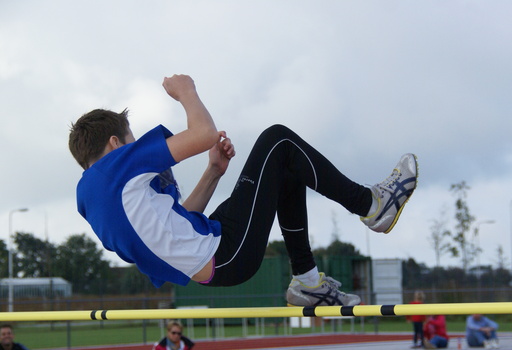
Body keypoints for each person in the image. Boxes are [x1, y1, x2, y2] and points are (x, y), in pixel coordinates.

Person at [68, 74, 419, 307]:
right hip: (228, 254)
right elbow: (205, 133)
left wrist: (213, 173)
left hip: (217, 254)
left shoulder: (94, 200)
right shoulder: (115, 169)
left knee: (283, 166)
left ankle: (309, 282)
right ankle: (372, 205)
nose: (135, 145)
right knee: (277, 139)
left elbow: (176, 229)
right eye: (131, 140)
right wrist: (186, 91)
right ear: (115, 144)